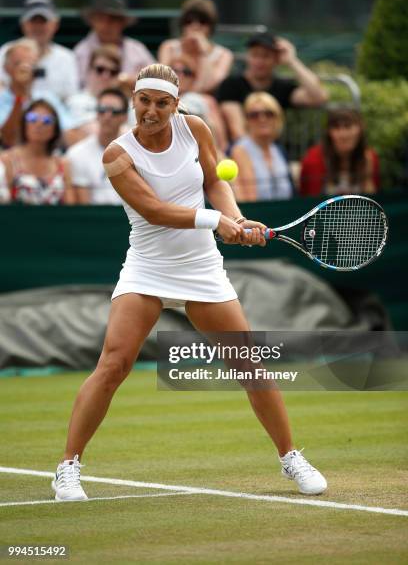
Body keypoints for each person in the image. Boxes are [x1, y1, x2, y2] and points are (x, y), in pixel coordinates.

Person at [51, 63, 327, 502]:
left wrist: (234, 218)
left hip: (201, 267)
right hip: (147, 269)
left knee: (250, 366)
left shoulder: (195, 129)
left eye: (162, 103)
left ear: (176, 105)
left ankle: (291, 457)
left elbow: (216, 181)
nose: (152, 111)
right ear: (133, 101)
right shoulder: (116, 155)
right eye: (144, 101)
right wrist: (216, 220)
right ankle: (67, 468)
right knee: (114, 365)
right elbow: (156, 211)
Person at [217, 32, 328, 142]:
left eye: (266, 56)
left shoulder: (282, 87)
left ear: (276, 60)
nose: (260, 61)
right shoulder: (231, 85)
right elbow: (238, 132)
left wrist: (292, 61)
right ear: (247, 57)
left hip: (272, 150)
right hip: (239, 152)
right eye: (255, 55)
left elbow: (318, 97)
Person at [0, 0, 79, 102]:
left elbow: (71, 97)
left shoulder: (67, 57)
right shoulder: (5, 51)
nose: (38, 26)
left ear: (55, 25)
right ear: (23, 24)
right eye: (33, 21)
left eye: (43, 21)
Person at [0, 39, 78, 148]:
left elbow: (71, 134)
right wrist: (19, 96)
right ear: (6, 68)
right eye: (18, 63)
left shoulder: (48, 98)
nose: (25, 68)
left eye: (30, 64)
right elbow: (8, 140)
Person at [0, 99, 74, 205]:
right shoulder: (7, 160)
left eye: (47, 120)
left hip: (56, 220)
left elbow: (71, 209)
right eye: (32, 118)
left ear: (55, 128)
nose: (39, 124)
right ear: (24, 124)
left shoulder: (62, 163)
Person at [74, 0, 154, 88]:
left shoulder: (137, 49)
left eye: (112, 20)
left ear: (122, 23)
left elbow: (156, 79)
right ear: (92, 21)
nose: (105, 25)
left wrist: (125, 80)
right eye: (100, 19)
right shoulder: (80, 51)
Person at [158, 0, 233, 94]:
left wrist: (203, 52)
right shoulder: (169, 47)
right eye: (189, 21)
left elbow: (209, 85)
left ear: (211, 26)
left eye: (202, 21)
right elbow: (161, 80)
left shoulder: (224, 54)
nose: (195, 26)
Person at [66, 88, 128, 204]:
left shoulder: (137, 153)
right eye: (102, 110)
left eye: (114, 111)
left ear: (124, 117)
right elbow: (84, 206)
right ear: (96, 114)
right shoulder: (77, 154)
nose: (107, 116)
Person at [299, 108, 380, 196]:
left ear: (360, 129)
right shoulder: (313, 158)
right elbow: (309, 200)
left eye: (348, 126)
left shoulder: (370, 157)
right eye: (336, 128)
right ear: (329, 132)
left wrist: (367, 177)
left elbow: (374, 201)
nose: (343, 134)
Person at [231, 92, 293, 201]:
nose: (262, 119)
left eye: (269, 114)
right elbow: (250, 200)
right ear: (247, 120)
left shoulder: (279, 150)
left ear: (277, 118)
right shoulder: (240, 150)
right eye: (254, 115)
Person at [169, 53, 228, 153]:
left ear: (194, 78)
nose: (180, 75)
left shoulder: (206, 100)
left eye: (186, 72)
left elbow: (221, 143)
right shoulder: (151, 101)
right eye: (175, 71)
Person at [66, 45, 123, 137]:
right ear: (89, 70)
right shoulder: (76, 101)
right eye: (100, 70)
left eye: (113, 72)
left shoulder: (128, 103)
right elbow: (95, 133)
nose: (106, 76)